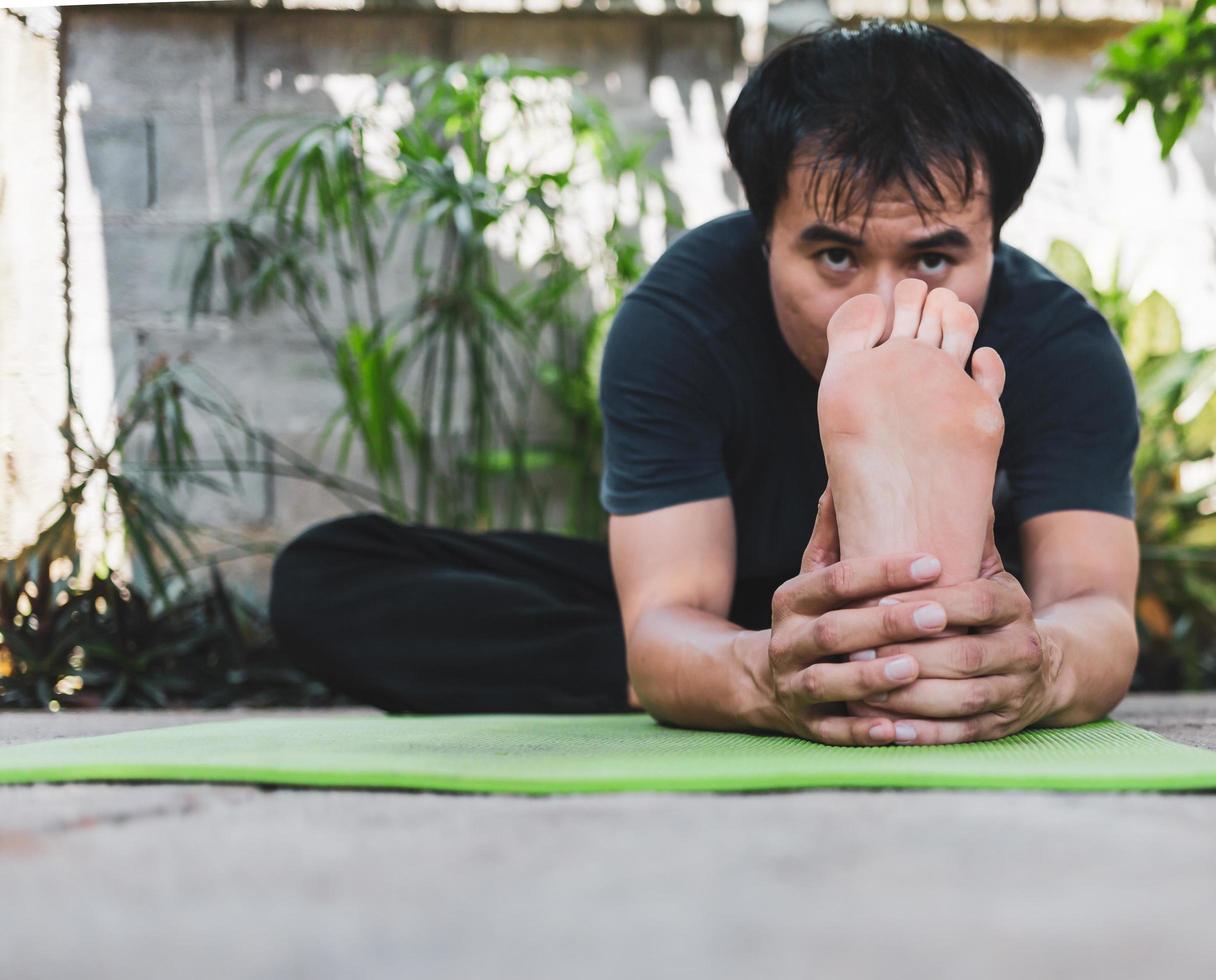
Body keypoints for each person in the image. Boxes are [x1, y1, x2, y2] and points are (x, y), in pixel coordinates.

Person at [269, 20, 1141, 746]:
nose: (877, 309)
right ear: (763, 233)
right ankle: (755, 671)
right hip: (727, 600)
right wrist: (759, 671)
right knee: (326, 575)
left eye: (935, 257)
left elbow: (1093, 605)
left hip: (947, 608)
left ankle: (797, 670)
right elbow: (667, 611)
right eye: (834, 254)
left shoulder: (1059, 343)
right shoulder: (681, 317)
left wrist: (1036, 670)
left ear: (997, 242)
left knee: (680, 660)